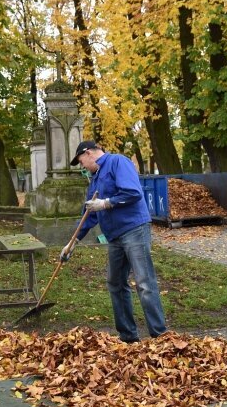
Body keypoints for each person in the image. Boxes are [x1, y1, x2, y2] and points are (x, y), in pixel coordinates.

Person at [61, 140, 168, 343]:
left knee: (144, 282)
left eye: (81, 161)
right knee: (115, 283)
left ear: (89, 153)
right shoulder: (94, 180)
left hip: (134, 229)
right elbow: (89, 215)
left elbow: (133, 193)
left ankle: (160, 336)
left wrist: (107, 203)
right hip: (115, 236)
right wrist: (72, 242)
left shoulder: (118, 162)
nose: (82, 166)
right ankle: (128, 336)